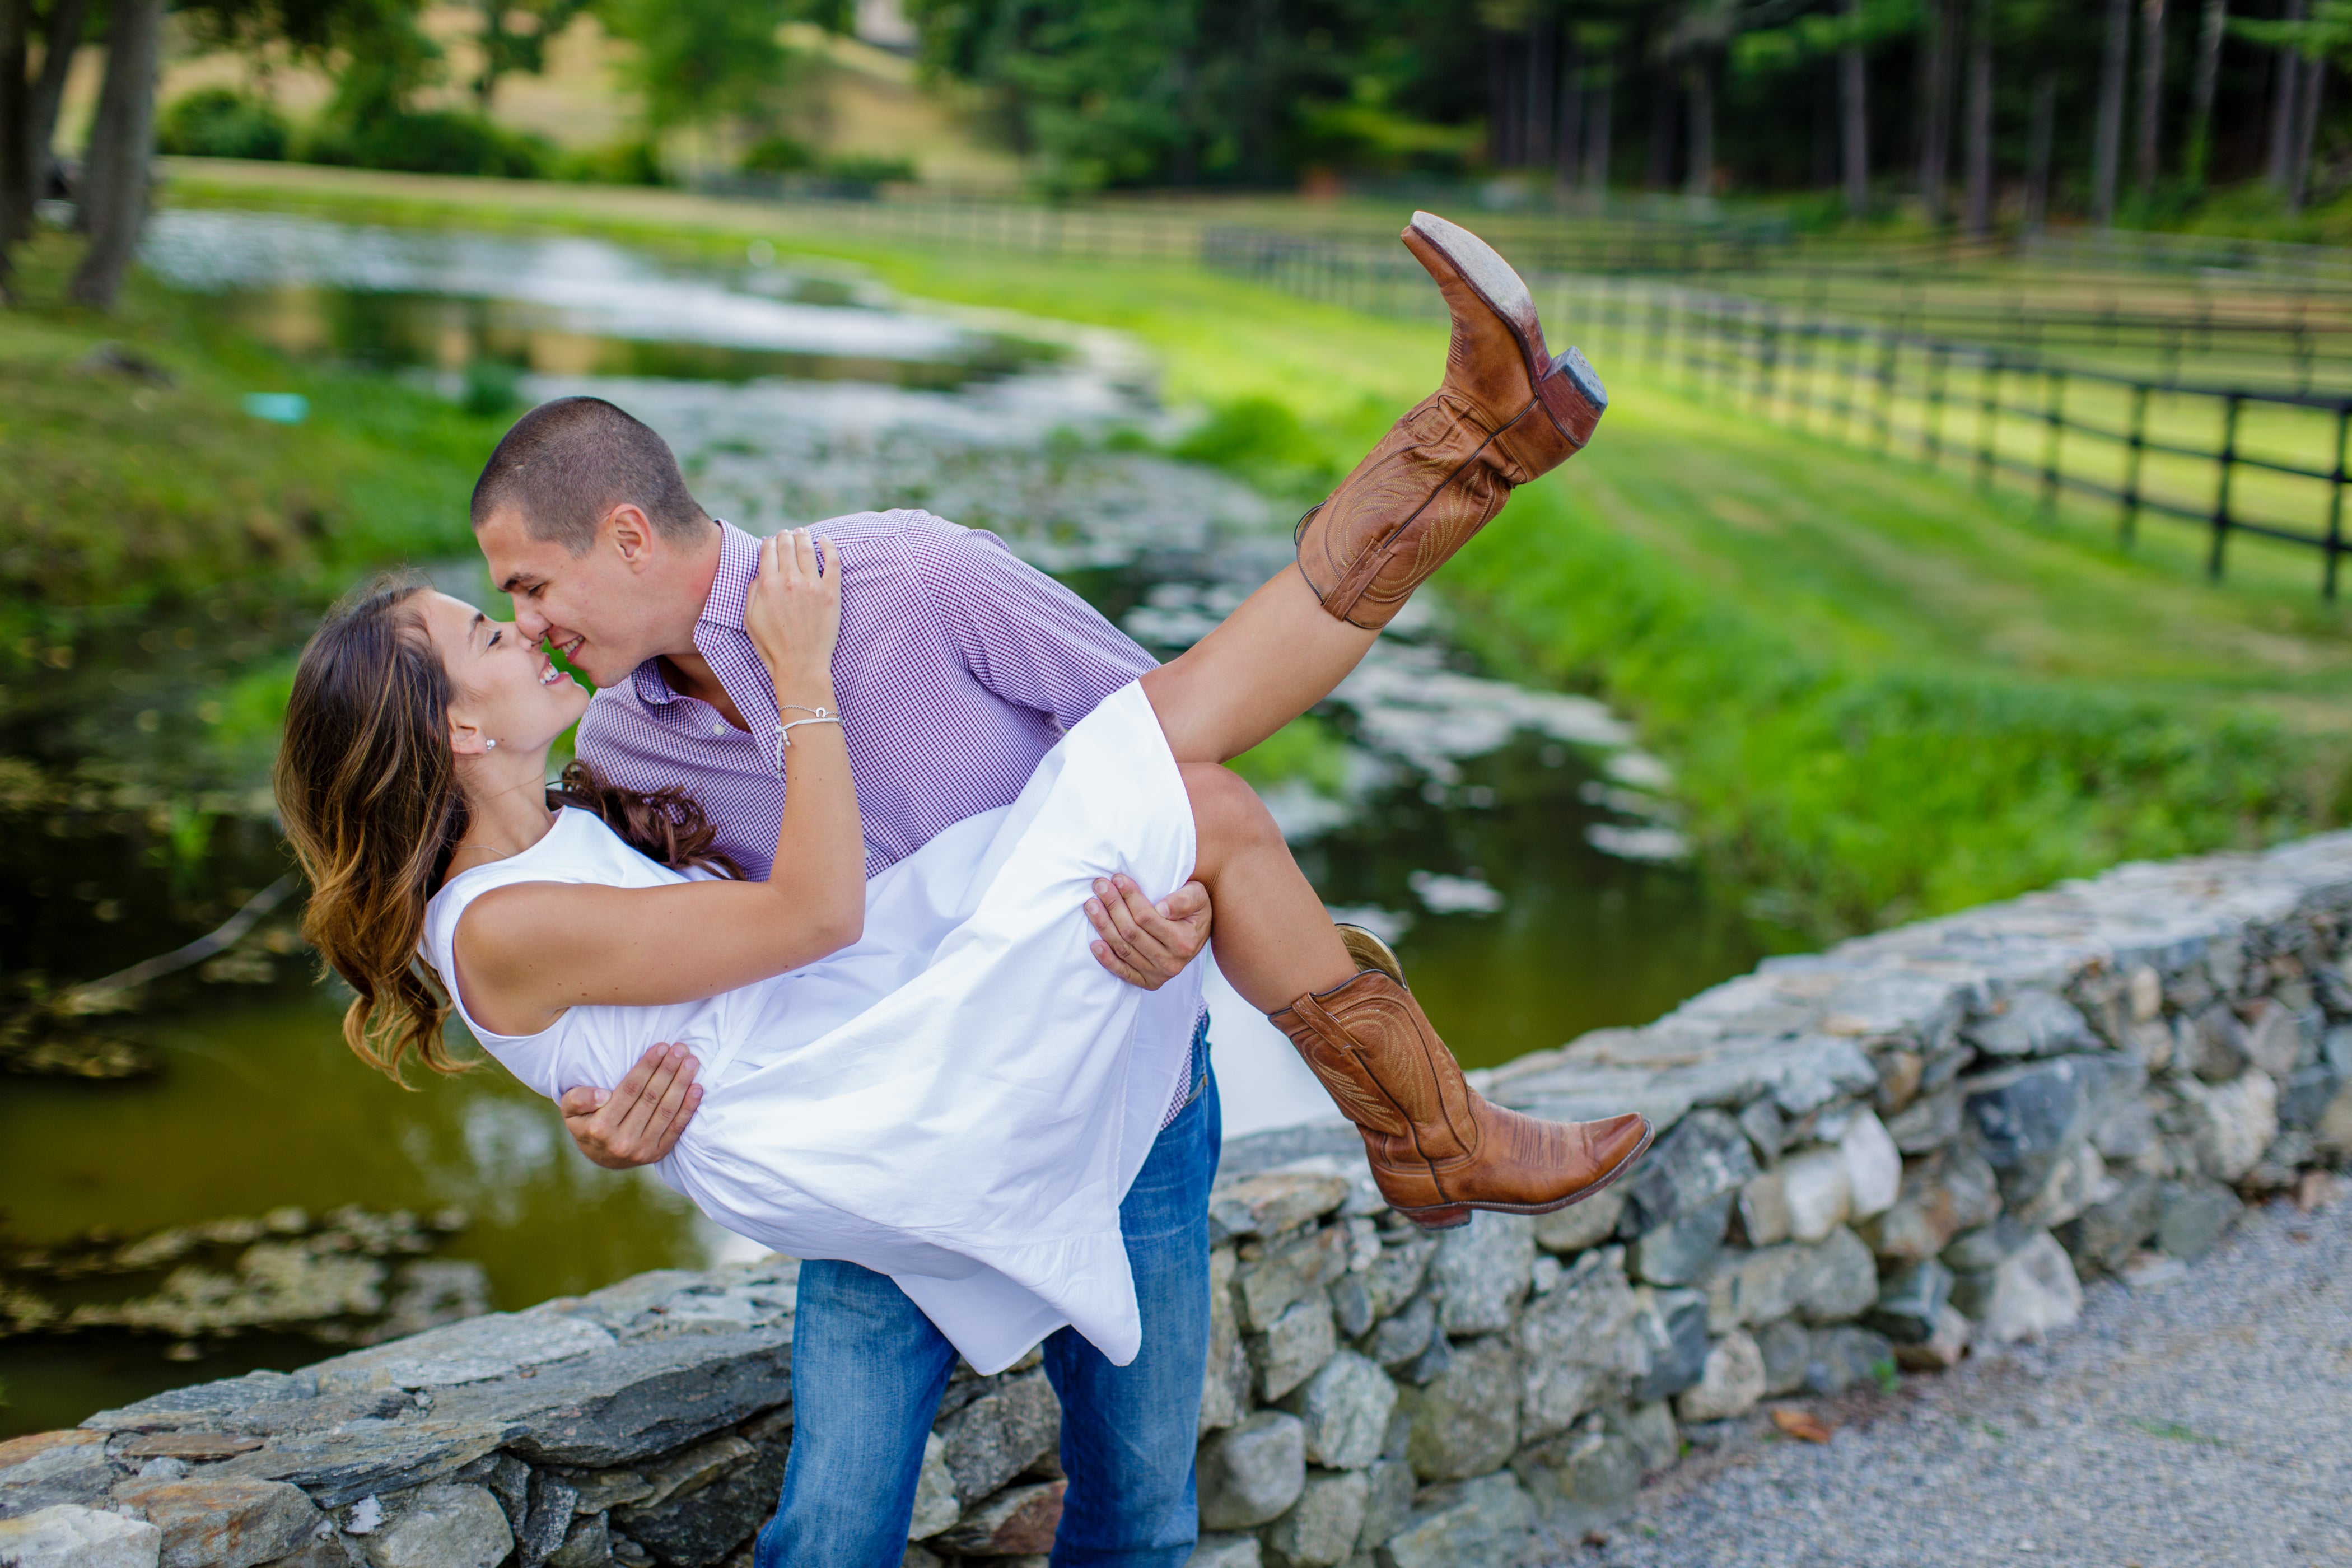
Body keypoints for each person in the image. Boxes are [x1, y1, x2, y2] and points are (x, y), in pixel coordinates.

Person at [278, 212, 1647, 1567]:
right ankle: (1472, 447)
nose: (522, 621)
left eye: (526, 583)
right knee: (834, 1528)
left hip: (1111, 1056)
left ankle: (1474, 437)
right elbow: (669, 967)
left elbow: (1149, 742)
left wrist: (1181, 918)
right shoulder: (616, 747)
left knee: (1191, 793)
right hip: (894, 1098)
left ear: (627, 534)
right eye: (493, 611)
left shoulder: (912, 575)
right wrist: (612, 1121)